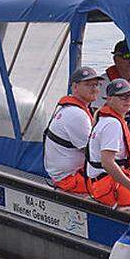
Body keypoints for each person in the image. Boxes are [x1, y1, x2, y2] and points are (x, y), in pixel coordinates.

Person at [86, 78, 130, 209]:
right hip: (106, 185)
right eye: (122, 97)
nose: (128, 100)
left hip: (101, 182)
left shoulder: (105, 120)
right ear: (109, 99)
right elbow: (107, 162)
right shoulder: (112, 124)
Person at [43, 66, 103, 194]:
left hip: (68, 173)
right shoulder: (76, 114)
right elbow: (93, 154)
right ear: (75, 87)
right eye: (88, 84)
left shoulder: (70, 109)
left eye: (96, 85)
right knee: (123, 189)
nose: (94, 89)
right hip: (69, 179)